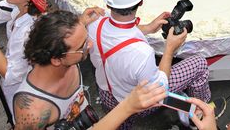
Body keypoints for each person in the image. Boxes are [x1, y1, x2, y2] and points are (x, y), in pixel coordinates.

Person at [88, 0, 211, 130]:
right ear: (141, 1)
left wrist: (148, 28)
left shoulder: (94, 22)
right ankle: (198, 116)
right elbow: (159, 90)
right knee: (199, 64)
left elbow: (116, 33)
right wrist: (170, 50)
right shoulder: (142, 53)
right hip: (138, 104)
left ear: (108, 2)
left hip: (107, 96)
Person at [12, 10, 167, 129]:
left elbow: (69, 39)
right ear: (56, 59)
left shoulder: (60, 53)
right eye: (82, 45)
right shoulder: (32, 111)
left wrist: (80, 23)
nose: (90, 45)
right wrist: (128, 106)